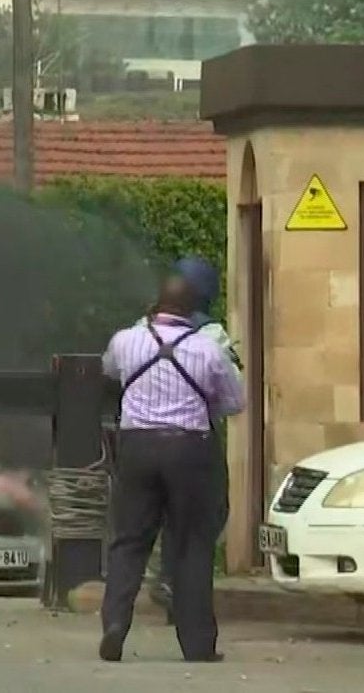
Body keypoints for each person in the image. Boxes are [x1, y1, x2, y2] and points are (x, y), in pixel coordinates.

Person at [100, 268, 245, 664]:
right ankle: (197, 644)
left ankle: (115, 624)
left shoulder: (125, 341)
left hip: (136, 448)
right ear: (193, 309)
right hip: (190, 450)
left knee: (129, 541)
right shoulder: (208, 349)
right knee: (192, 545)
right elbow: (234, 403)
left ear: (156, 303)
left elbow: (110, 371)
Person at [142, 257, 242, 621]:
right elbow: (233, 395)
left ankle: (164, 583)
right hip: (195, 438)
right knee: (207, 514)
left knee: (160, 515)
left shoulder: (141, 331)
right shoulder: (212, 335)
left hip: (141, 437)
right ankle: (178, 587)